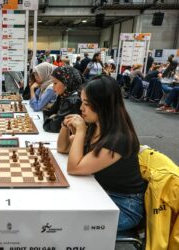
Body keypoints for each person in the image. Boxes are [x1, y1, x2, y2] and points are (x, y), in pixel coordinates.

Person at [57, 75, 147, 232]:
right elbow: (63, 148)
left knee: (65, 223)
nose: (80, 109)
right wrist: (65, 125)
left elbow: (74, 168)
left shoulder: (118, 139)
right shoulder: (97, 125)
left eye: (86, 104)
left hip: (124, 207)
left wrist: (80, 131)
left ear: (102, 105)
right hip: (101, 193)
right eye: (81, 102)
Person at [43, 66, 83, 133]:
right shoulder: (63, 96)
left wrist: (51, 118)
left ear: (66, 83)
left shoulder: (72, 101)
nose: (53, 87)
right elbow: (48, 112)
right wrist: (52, 117)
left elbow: (52, 126)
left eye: (55, 83)